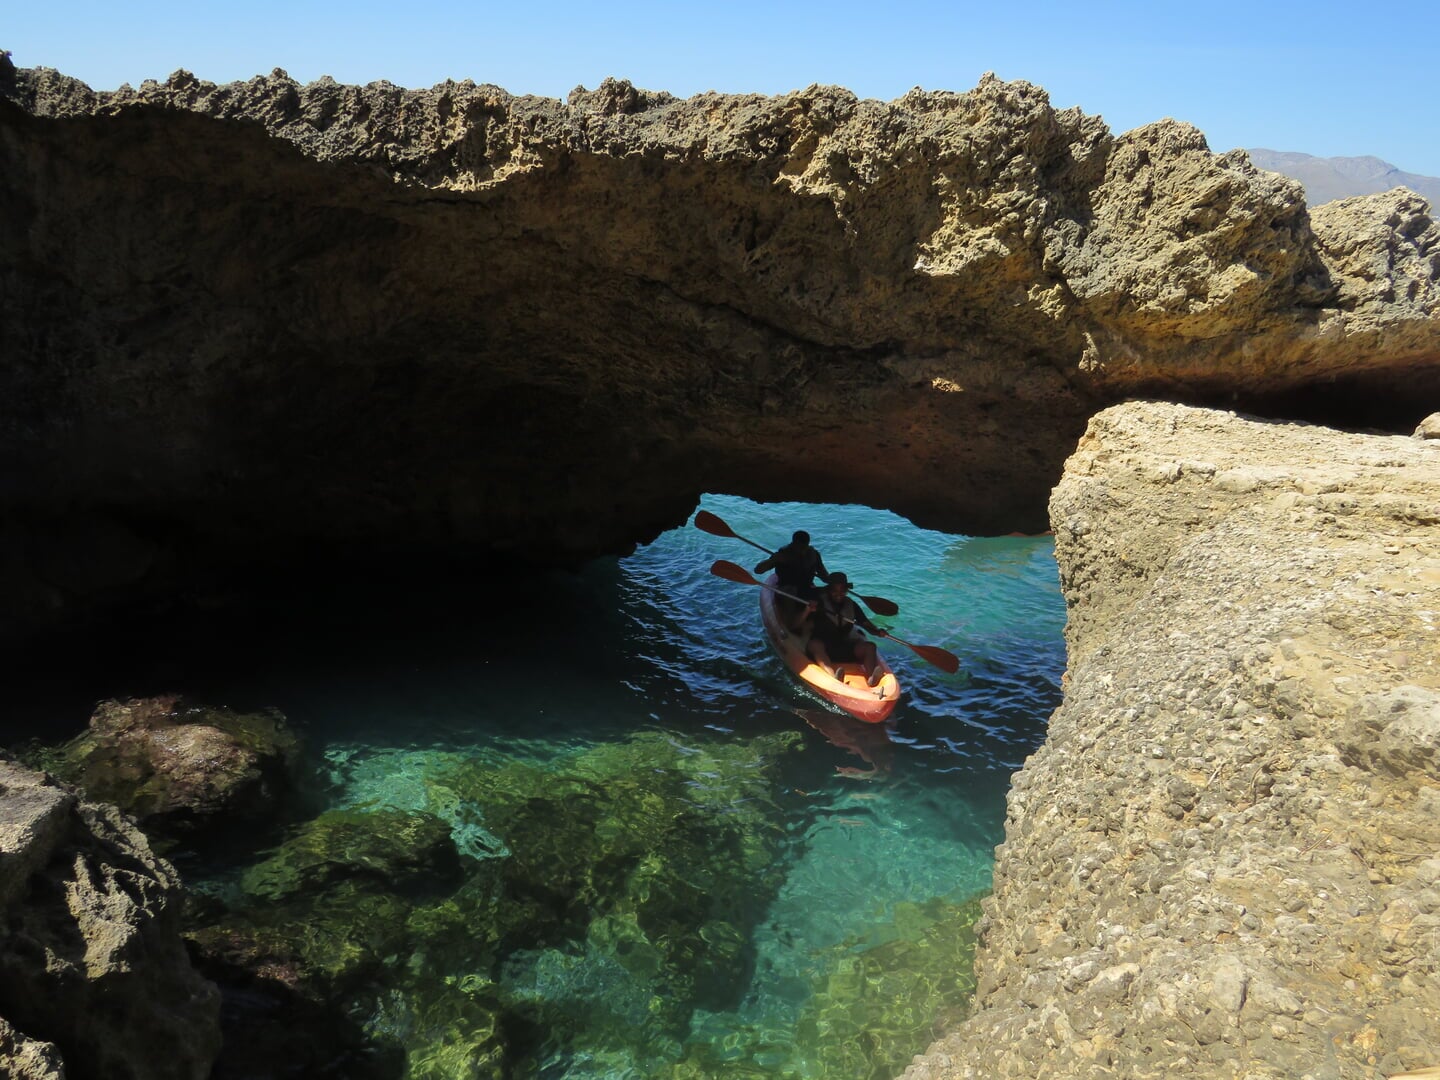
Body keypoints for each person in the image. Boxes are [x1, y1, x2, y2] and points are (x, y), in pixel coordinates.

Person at [803, 571, 889, 688]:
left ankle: (871, 679)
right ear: (829, 590)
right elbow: (795, 625)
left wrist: (878, 631)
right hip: (823, 650)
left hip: (843, 647)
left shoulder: (852, 605)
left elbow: (866, 625)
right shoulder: (819, 603)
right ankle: (834, 678)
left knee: (870, 646)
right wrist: (807, 610)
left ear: (846, 591)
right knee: (814, 644)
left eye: (842, 590)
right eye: (835, 591)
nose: (839, 594)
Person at [754, 530, 830, 629]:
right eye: (800, 547)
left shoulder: (813, 554)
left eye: (804, 547)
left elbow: (824, 576)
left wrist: (835, 583)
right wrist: (773, 560)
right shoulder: (783, 554)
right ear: (794, 544)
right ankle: (790, 625)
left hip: (806, 588)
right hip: (786, 589)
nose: (802, 550)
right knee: (791, 591)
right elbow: (758, 570)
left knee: (826, 594)